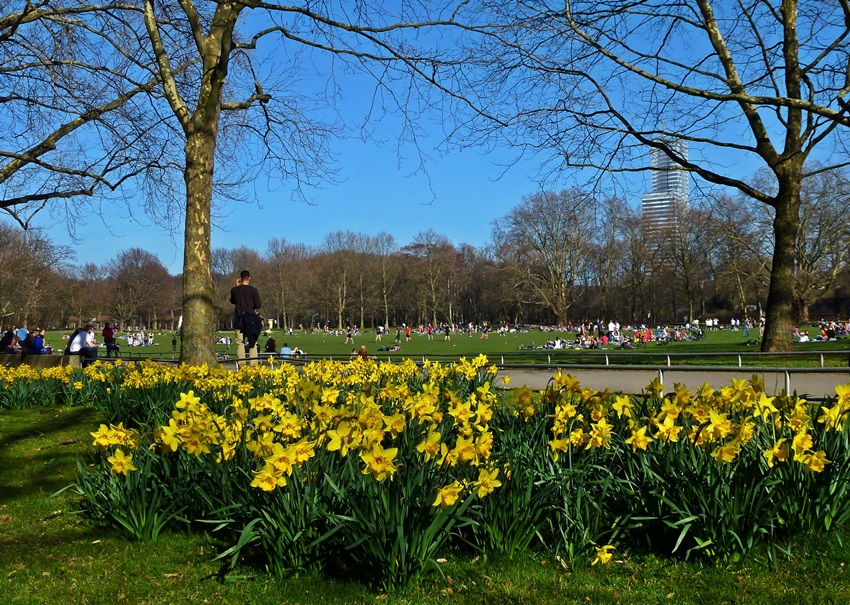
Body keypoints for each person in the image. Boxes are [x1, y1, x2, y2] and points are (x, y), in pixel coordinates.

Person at [230, 269, 262, 365]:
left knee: (240, 343)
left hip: (239, 318)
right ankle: (253, 365)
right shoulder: (253, 290)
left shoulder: (234, 290)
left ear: (240, 279)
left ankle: (242, 365)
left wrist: (237, 287)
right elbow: (258, 305)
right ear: (249, 278)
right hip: (251, 318)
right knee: (252, 343)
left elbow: (232, 301)